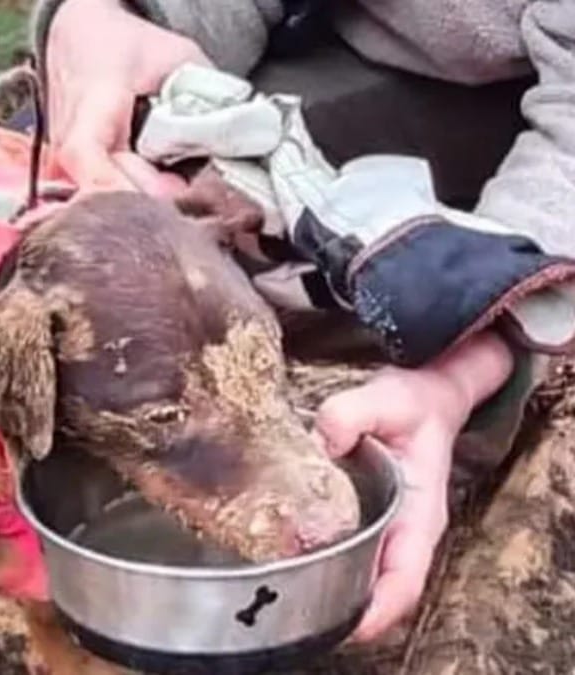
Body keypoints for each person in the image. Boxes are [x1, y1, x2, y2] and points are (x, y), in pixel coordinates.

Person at [32, 0, 575, 643]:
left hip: (531, 114)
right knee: (69, 200)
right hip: (344, 45)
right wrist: (112, 19)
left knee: (440, 299)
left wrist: (458, 373)